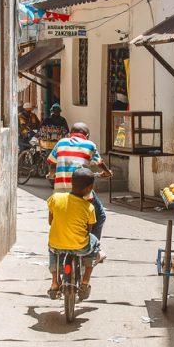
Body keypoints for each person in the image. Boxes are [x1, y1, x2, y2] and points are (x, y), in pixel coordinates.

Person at [48, 123, 112, 244]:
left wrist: (51, 175)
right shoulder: (89, 145)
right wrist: (107, 172)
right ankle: (93, 248)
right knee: (100, 215)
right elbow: (99, 163)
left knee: (57, 217)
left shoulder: (61, 142)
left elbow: (52, 162)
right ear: (86, 136)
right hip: (81, 192)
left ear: (70, 134)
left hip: (60, 192)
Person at [47, 168, 101, 300]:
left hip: (57, 244)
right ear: (90, 188)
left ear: (72, 183)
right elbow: (88, 230)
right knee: (94, 241)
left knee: (51, 249)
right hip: (80, 247)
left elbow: (50, 221)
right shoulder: (89, 207)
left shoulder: (55, 198)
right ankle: (85, 282)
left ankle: (54, 282)